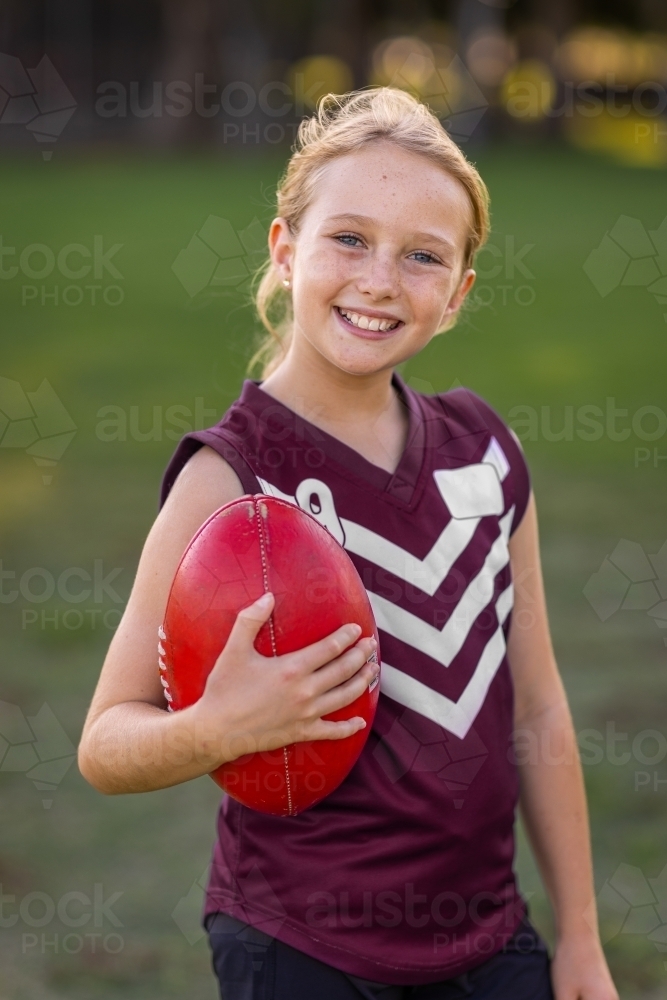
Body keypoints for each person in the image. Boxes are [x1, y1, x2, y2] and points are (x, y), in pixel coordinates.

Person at [78, 88, 618, 1000]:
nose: (378, 281)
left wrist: (580, 938)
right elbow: (102, 741)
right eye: (349, 239)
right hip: (301, 949)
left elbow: (537, 711)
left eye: (421, 257)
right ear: (286, 252)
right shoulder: (230, 477)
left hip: (490, 941)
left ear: (456, 296)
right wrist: (217, 729)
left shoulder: (487, 454)